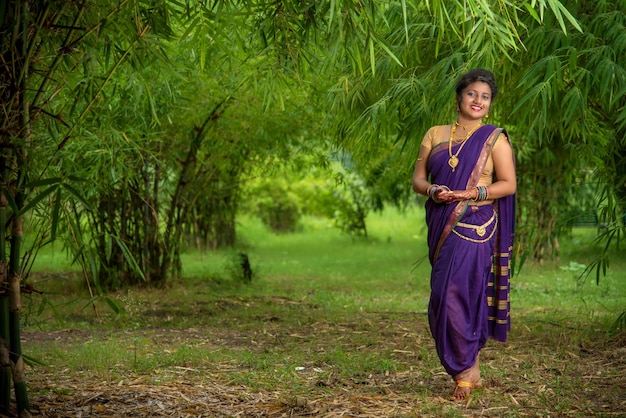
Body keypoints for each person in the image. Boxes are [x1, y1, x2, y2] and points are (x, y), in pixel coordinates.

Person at [412, 69, 516, 400]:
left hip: (476, 223)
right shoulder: (435, 134)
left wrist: (473, 194)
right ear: (459, 97)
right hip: (442, 217)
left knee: (458, 293)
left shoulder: (494, 138)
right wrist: (433, 191)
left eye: (485, 97)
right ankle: (469, 366)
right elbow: (417, 179)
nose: (478, 101)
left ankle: (464, 370)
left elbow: (508, 184)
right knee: (442, 296)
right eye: (472, 94)